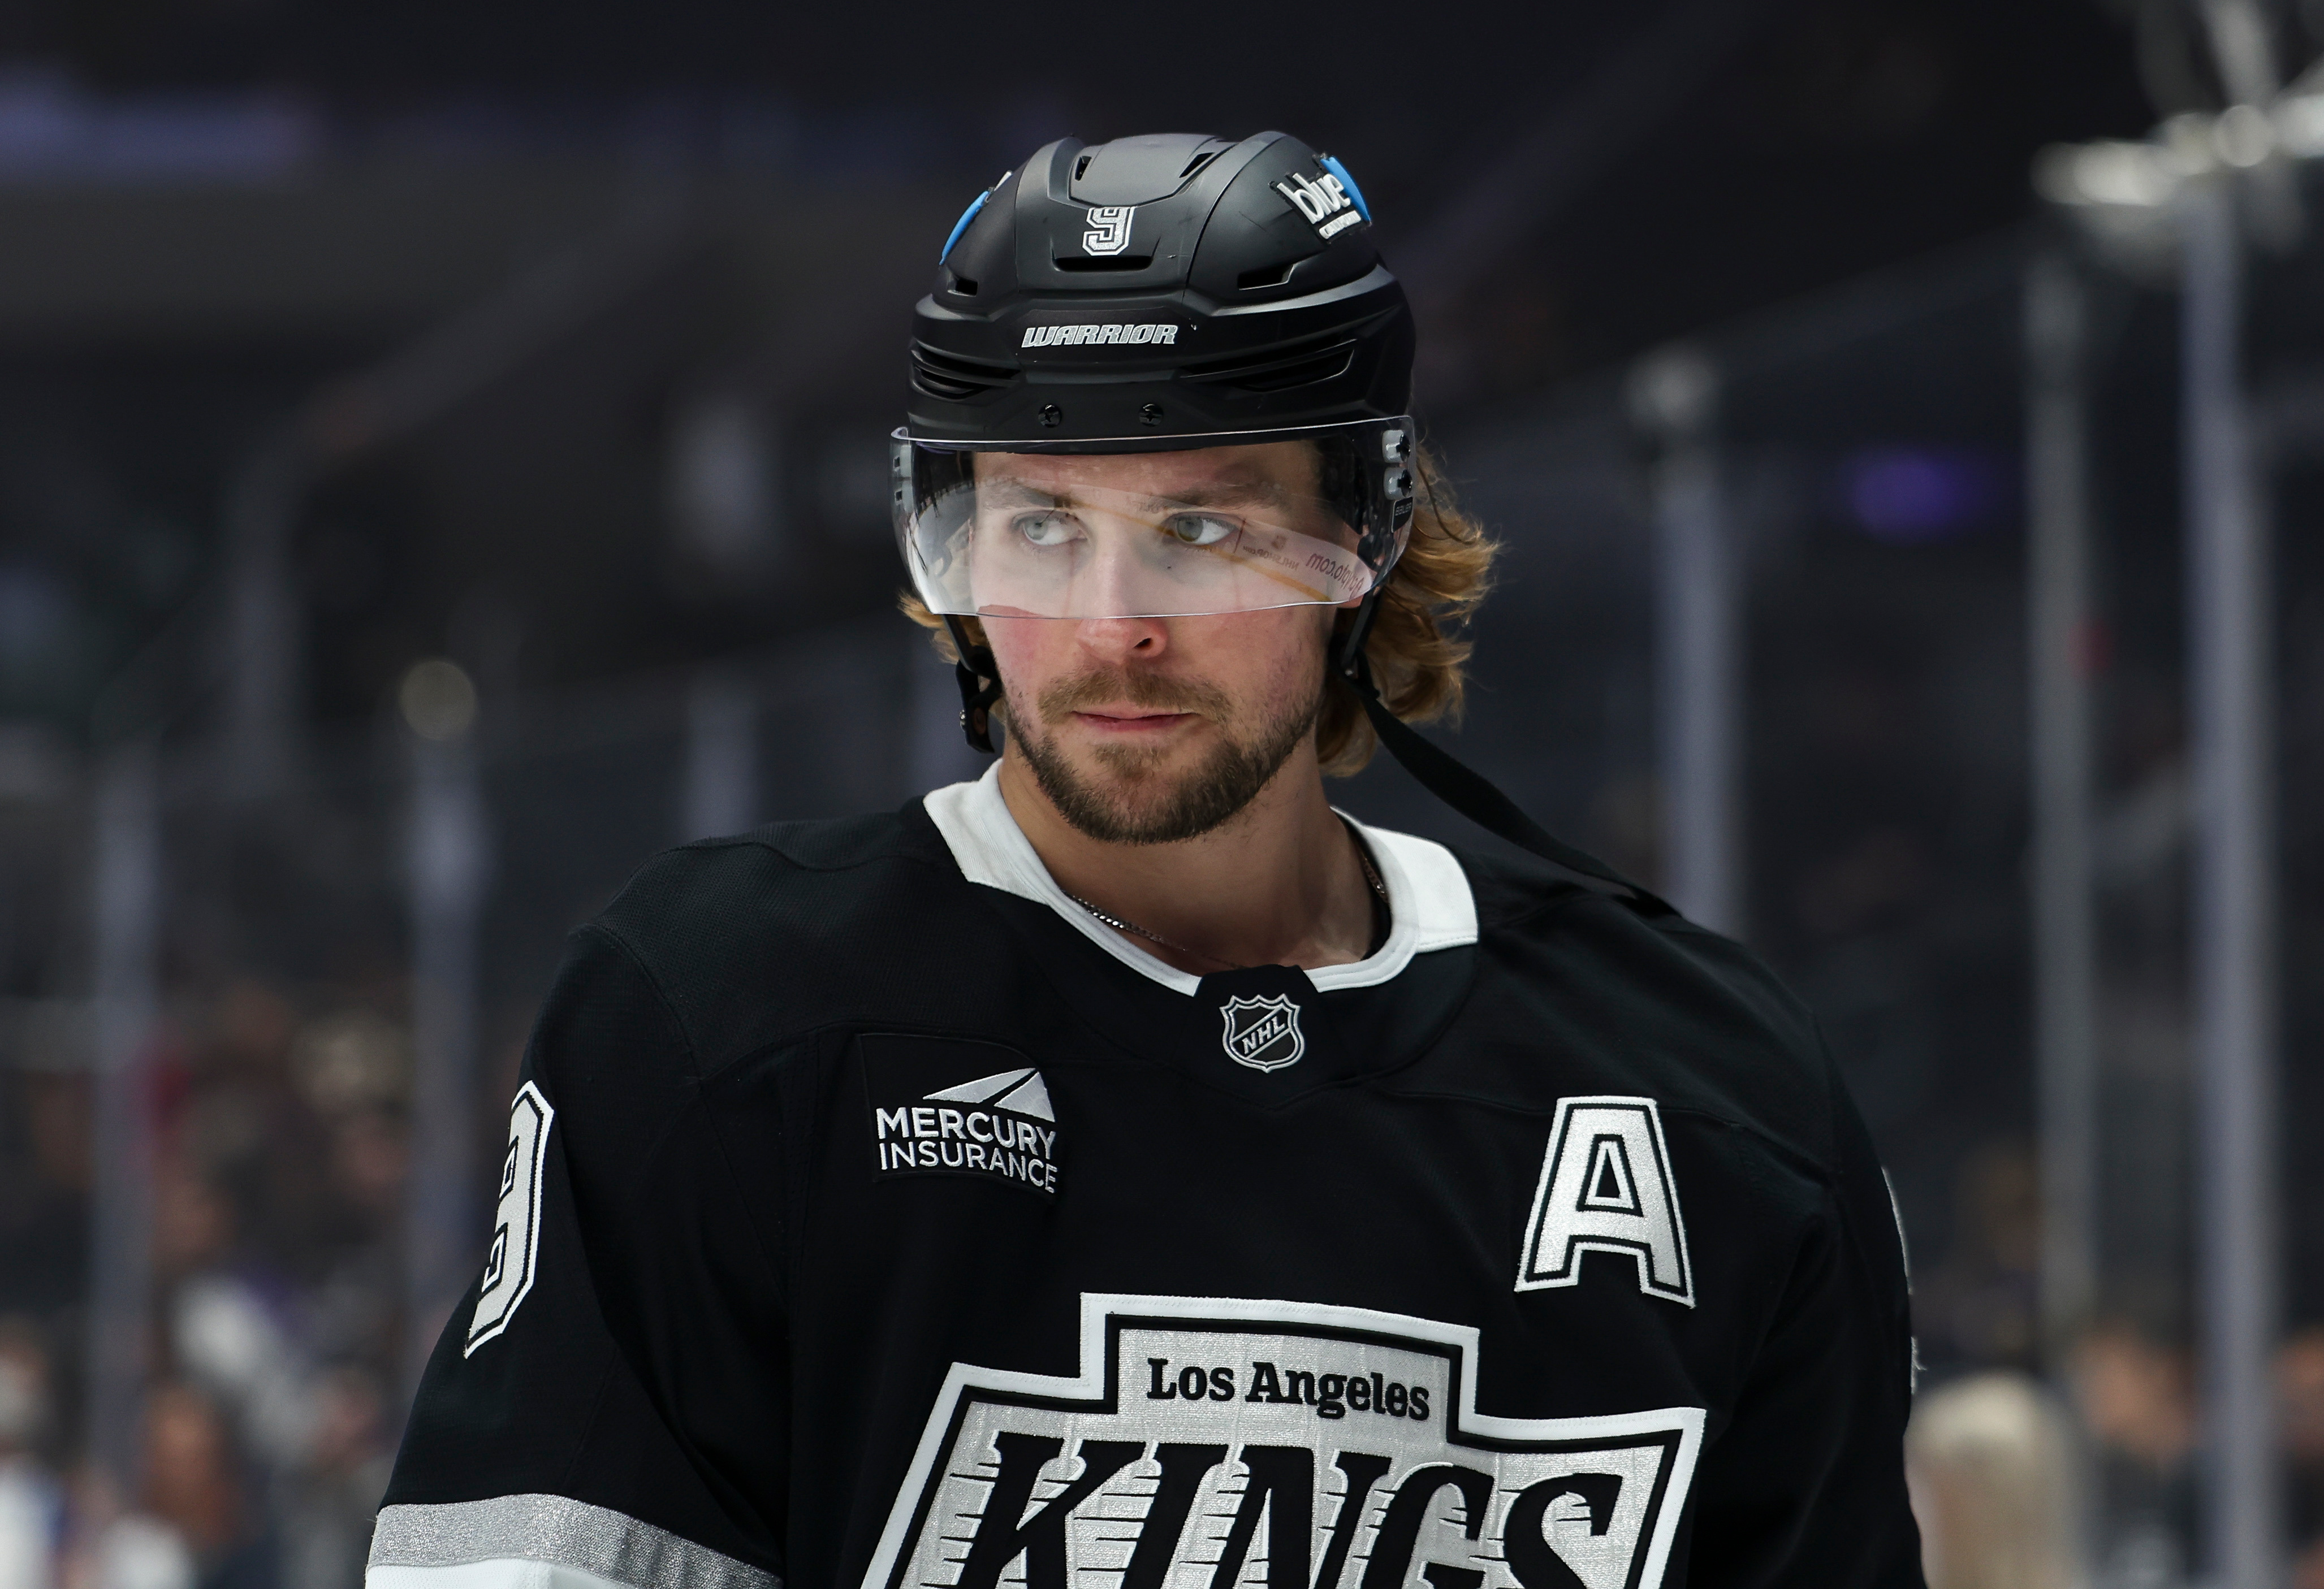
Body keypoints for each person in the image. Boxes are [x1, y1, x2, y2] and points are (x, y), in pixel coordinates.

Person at [365, 130, 1924, 1589]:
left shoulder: (1715, 1097)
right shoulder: (725, 1016)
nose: (1114, 626)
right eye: (1042, 527)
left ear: (1366, 531)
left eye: (1203, 529)